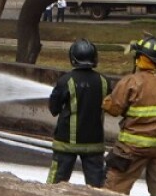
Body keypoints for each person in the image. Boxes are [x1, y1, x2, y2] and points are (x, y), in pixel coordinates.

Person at [102, 36, 156, 196]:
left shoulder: (132, 82)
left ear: (139, 59)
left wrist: (107, 99)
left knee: (115, 189)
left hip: (133, 147)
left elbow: (113, 109)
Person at [47, 39, 109, 187]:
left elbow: (53, 109)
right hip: (94, 143)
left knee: (55, 184)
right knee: (97, 188)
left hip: (66, 143)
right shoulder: (104, 81)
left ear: (73, 58)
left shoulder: (65, 81)